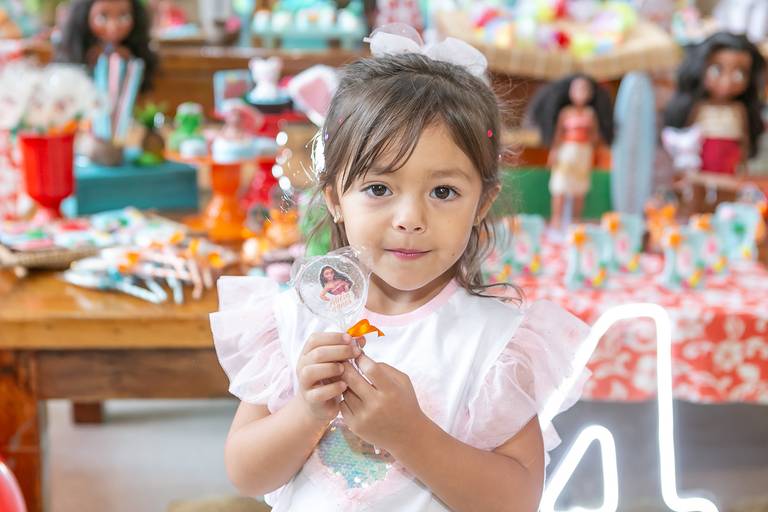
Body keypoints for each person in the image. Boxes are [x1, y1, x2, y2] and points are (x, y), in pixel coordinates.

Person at [210, 31, 591, 512]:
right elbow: (246, 474)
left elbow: (516, 501)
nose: (410, 218)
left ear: (482, 204)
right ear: (335, 198)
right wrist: (307, 411)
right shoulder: (296, 320)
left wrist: (410, 435)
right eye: (379, 188)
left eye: (443, 192)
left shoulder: (494, 343)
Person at [664, 31, 766, 176]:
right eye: (717, 70)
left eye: (739, 74)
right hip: (700, 168)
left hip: (729, 168)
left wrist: (743, 165)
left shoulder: (739, 110)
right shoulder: (699, 107)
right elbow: (686, 136)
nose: (726, 82)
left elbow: (744, 139)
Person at [528, 74, 614, 230]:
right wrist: (554, 152)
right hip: (566, 152)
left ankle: (575, 221)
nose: (581, 93)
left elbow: (594, 135)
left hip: (583, 153)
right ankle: (556, 220)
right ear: (570, 92)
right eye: (577, 89)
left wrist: (594, 147)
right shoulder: (565, 113)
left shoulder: (590, 114)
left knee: (579, 189)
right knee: (560, 186)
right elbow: (559, 134)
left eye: (585, 89)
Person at [55, 0, 157, 91]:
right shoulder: (80, 53)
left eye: (124, 17)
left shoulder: (132, 56)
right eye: (102, 18)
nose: (113, 26)